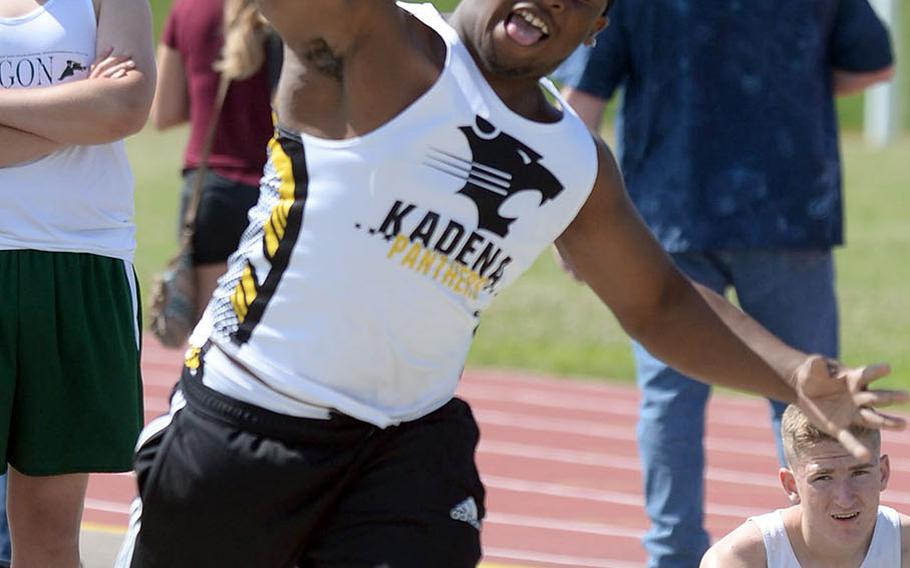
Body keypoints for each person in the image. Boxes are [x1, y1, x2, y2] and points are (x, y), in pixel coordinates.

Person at [115, 1, 904, 566]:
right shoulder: (374, 37)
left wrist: (793, 374)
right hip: (252, 417)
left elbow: (656, 301)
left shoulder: (573, 161)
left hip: (405, 448)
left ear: (600, 26)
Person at [553, 1, 896, 565]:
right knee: (810, 395)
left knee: (670, 398)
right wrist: (782, 87)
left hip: (667, 212)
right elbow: (873, 66)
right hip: (789, 208)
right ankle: (813, 548)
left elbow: (584, 96)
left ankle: (673, 553)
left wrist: (573, 215)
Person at [0, 0, 155, 566]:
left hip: (82, 264)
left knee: (48, 532)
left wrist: (101, 111)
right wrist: (74, 110)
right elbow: (98, 113)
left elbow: (122, 107)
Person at [152, 0, 280, 322]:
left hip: (212, 193)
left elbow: (163, 112)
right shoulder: (288, 11)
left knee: (212, 339)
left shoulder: (188, 9)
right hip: (277, 191)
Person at [701, 404, 910, 567]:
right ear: (791, 485)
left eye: (859, 473)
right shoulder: (740, 560)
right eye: (823, 478)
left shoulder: (905, 547)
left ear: (882, 473)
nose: (844, 498)